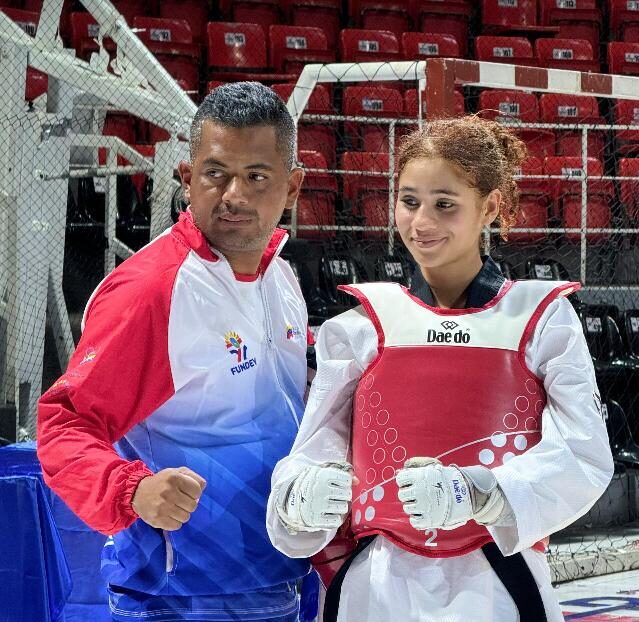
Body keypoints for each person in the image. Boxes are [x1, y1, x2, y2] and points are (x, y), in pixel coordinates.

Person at [266, 116, 614, 622]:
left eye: (444, 204)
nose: (422, 222)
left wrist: (479, 493)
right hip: (376, 586)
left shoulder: (542, 319)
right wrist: (300, 495)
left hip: (497, 583)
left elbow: (585, 456)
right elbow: (312, 450)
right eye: (409, 201)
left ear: (490, 206)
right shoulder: (361, 326)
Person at [37, 82, 313, 622]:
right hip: (178, 595)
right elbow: (63, 424)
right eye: (216, 173)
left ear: (293, 186)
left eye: (256, 176)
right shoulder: (152, 292)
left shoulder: (281, 276)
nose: (234, 193)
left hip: (277, 575)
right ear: (188, 179)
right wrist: (132, 489)